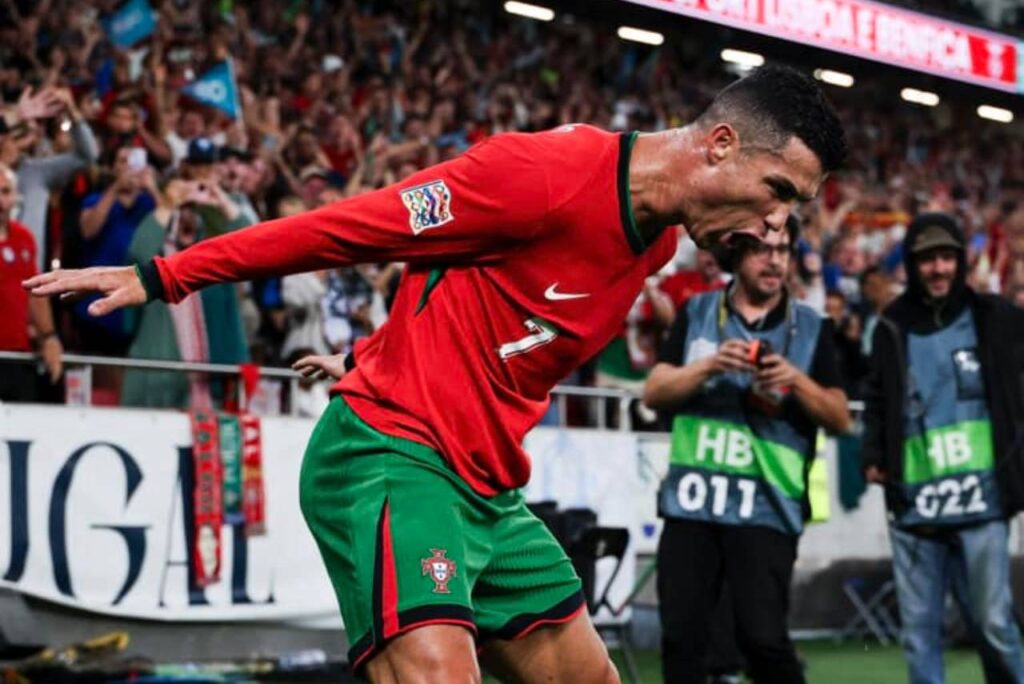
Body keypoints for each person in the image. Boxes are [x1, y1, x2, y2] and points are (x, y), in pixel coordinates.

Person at [25, 65, 845, 683]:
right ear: (721, 144)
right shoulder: (545, 177)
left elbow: (486, 312)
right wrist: (169, 274)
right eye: (778, 192)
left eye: (793, 210)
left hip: (489, 493)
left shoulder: (658, 242)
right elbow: (358, 228)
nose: (777, 223)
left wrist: (369, 351)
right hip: (391, 458)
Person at [642, 219, 850, 684]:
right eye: (762, 249)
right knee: (682, 638)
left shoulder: (813, 328)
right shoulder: (696, 312)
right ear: (737, 256)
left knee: (762, 640)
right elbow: (653, 392)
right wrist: (710, 365)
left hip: (766, 510)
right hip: (693, 504)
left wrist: (794, 380)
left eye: (783, 250)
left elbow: (840, 416)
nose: (774, 260)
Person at [862, 213, 1024, 684]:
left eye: (946, 257)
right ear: (912, 265)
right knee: (919, 635)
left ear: (961, 261)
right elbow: (874, 396)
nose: (937, 268)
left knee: (994, 625)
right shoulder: (892, 324)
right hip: (916, 506)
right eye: (927, 259)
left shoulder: (995, 317)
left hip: (984, 501)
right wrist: (873, 453)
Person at [0, 163, 62, 401]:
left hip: (19, 355)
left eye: (5, 192)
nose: (1, 201)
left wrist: (49, 337)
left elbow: (35, 292)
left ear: (15, 197)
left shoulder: (24, 238)